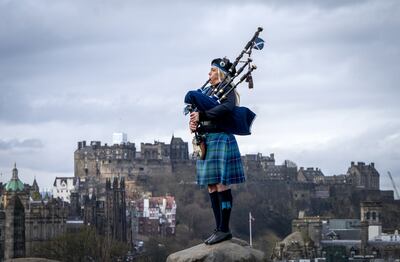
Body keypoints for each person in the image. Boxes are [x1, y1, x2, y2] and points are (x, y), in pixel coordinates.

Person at [188, 58, 246, 245]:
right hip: (207, 140)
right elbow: (198, 113)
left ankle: (225, 229)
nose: (209, 74)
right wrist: (194, 123)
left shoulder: (228, 90)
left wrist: (202, 114)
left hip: (221, 139)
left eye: (213, 70)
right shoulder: (208, 92)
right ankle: (218, 227)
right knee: (212, 186)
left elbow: (227, 108)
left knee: (222, 185)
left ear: (221, 73)